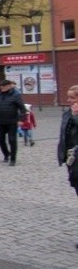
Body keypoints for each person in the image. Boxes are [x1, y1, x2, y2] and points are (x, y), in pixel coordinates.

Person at [57, 85, 78, 249]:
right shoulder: (67, 113)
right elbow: (64, 136)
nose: (69, 100)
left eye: (73, 97)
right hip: (72, 160)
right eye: (69, 97)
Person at [0, 79, 26, 166]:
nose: (1, 88)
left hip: (12, 121)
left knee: (12, 140)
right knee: (0, 139)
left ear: (9, 86)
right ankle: (6, 154)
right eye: (1, 86)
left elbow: (22, 108)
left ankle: (13, 159)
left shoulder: (16, 95)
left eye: (3, 86)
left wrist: (21, 120)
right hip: (1, 121)